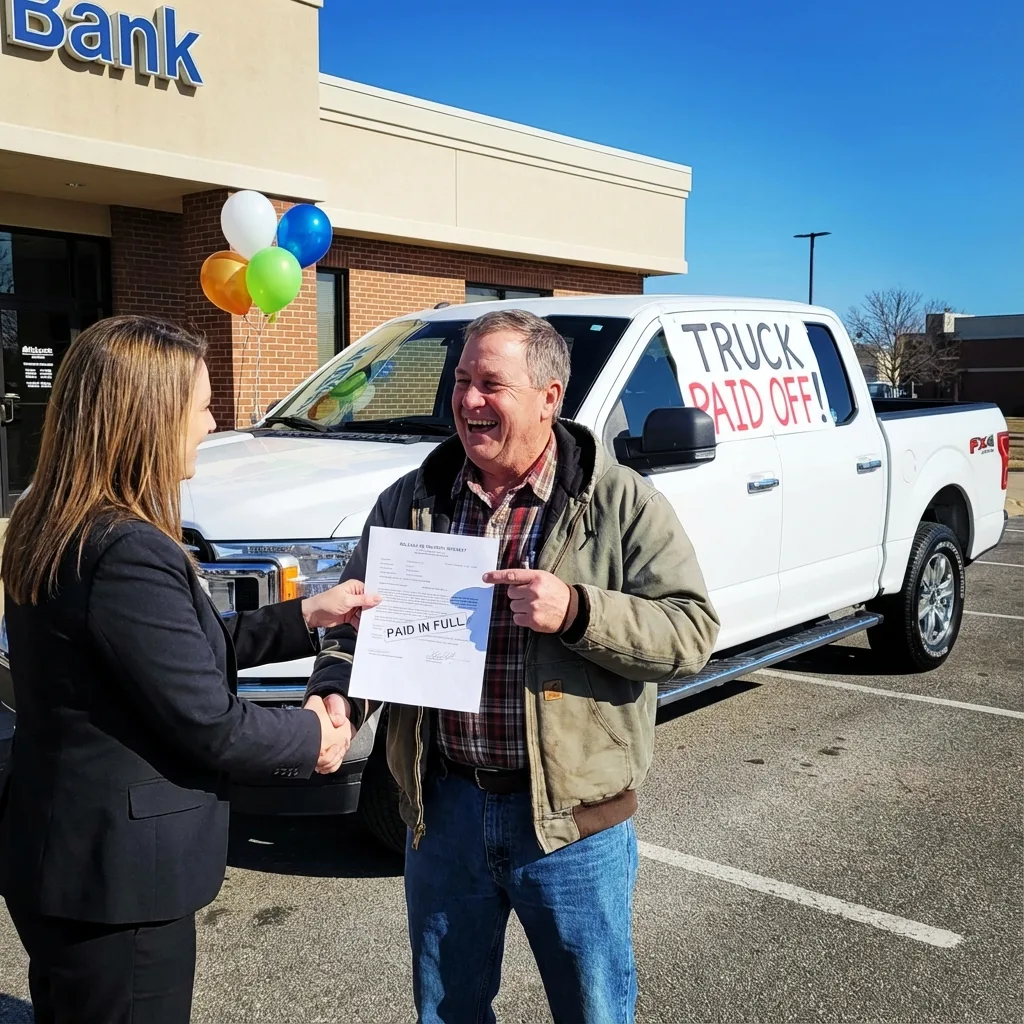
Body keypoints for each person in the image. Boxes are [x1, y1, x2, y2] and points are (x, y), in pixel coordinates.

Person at [305, 308, 720, 1023]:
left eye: (490, 384)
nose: (467, 401)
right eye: (461, 381)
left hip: (570, 825)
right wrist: (337, 698)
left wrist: (579, 612)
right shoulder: (412, 503)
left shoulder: (617, 502)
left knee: (593, 1010)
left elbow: (691, 631)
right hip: (444, 814)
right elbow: (358, 629)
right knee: (447, 1011)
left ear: (548, 397)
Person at [0, 315, 379, 1024]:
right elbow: (209, 722)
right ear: (147, 417)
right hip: (118, 881)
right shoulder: (125, 549)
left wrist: (308, 615)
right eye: (201, 405)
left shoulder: (55, 521)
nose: (211, 423)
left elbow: (173, 654)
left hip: (68, 854)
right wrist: (315, 739)